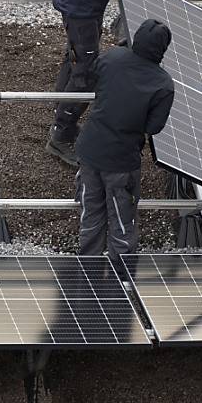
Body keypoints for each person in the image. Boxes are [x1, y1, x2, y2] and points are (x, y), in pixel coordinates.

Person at [47, 0, 153, 167]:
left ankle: (61, 107)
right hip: (78, 6)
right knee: (86, 71)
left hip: (94, 2)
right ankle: (60, 136)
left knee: (76, 56)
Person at [74, 18, 174, 270]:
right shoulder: (162, 84)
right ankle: (122, 277)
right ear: (163, 48)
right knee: (121, 219)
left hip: (89, 150)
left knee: (91, 214)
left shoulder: (112, 58)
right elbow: (154, 128)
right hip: (121, 160)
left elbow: (93, 78)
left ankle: (88, 270)